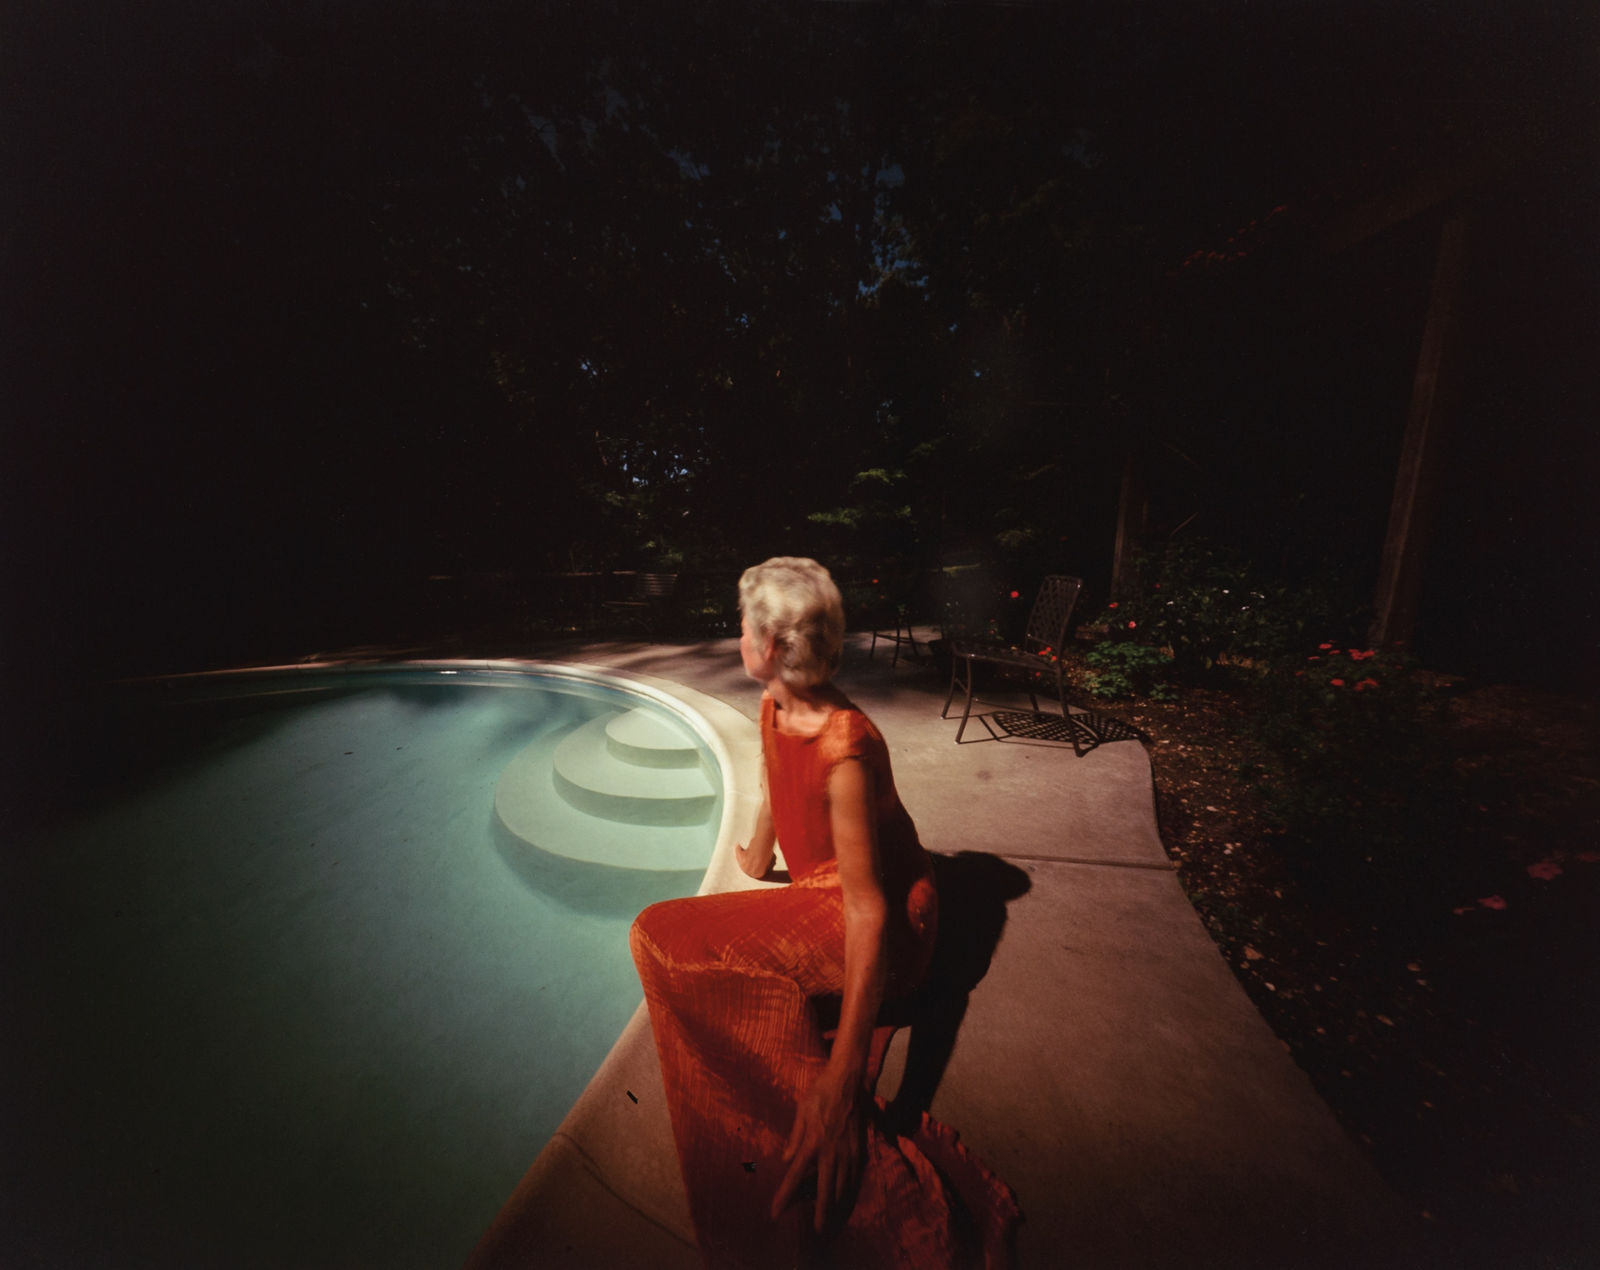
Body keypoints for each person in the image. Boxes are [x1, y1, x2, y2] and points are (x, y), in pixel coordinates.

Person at [630, 557, 1020, 1269]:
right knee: (688, 955)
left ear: (773, 646)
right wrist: (754, 857)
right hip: (826, 892)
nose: (736, 635)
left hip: (884, 923)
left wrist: (841, 1085)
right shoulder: (774, 703)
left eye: (744, 626)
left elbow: (868, 909)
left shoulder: (847, 744)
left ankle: (834, 1142)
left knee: (658, 935)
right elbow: (771, 795)